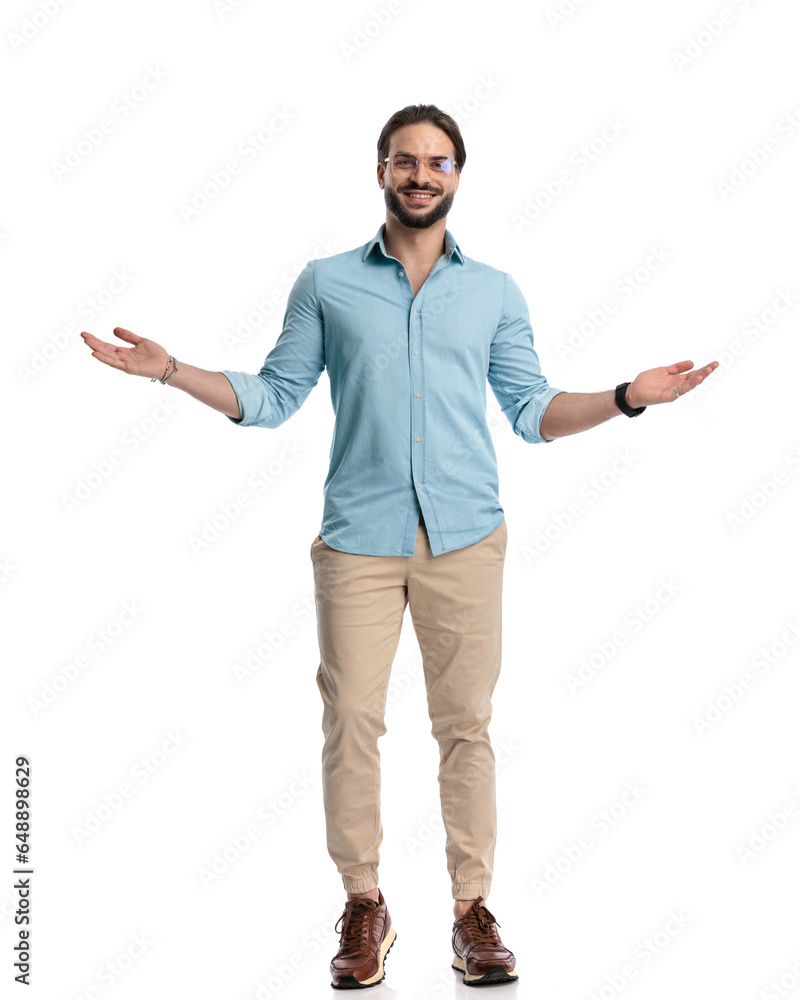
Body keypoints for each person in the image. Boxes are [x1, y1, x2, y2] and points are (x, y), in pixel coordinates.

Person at [81, 103, 718, 990]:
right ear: (380, 170)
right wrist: (171, 370)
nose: (423, 175)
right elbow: (272, 397)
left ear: (459, 176)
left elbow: (532, 413)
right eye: (406, 160)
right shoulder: (327, 282)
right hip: (359, 545)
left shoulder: (494, 291)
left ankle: (472, 912)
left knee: (467, 728)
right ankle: (364, 903)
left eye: (440, 162)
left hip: (467, 538)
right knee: (352, 723)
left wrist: (625, 395)